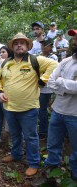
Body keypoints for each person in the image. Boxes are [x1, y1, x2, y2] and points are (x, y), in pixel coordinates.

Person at [0, 32, 58, 176]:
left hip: (28, 109)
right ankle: (16, 154)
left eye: (22, 43)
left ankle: (34, 162)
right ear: (12, 47)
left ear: (27, 46)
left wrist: (43, 80)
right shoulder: (6, 63)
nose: (19, 45)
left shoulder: (35, 60)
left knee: (31, 137)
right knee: (15, 134)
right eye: (16, 43)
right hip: (9, 107)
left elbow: (55, 64)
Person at [44, 29, 77, 181]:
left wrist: (61, 83)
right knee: (53, 146)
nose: (75, 41)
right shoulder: (65, 61)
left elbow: (59, 83)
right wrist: (66, 88)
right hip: (58, 111)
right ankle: (51, 175)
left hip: (75, 115)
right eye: (74, 38)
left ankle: (74, 177)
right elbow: (51, 82)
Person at [38, 37, 58, 139]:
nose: (42, 46)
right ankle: (42, 129)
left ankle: (43, 131)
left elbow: (48, 71)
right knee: (40, 109)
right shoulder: (39, 56)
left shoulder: (53, 57)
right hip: (38, 87)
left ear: (50, 46)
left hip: (46, 88)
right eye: (42, 44)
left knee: (42, 109)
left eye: (45, 44)